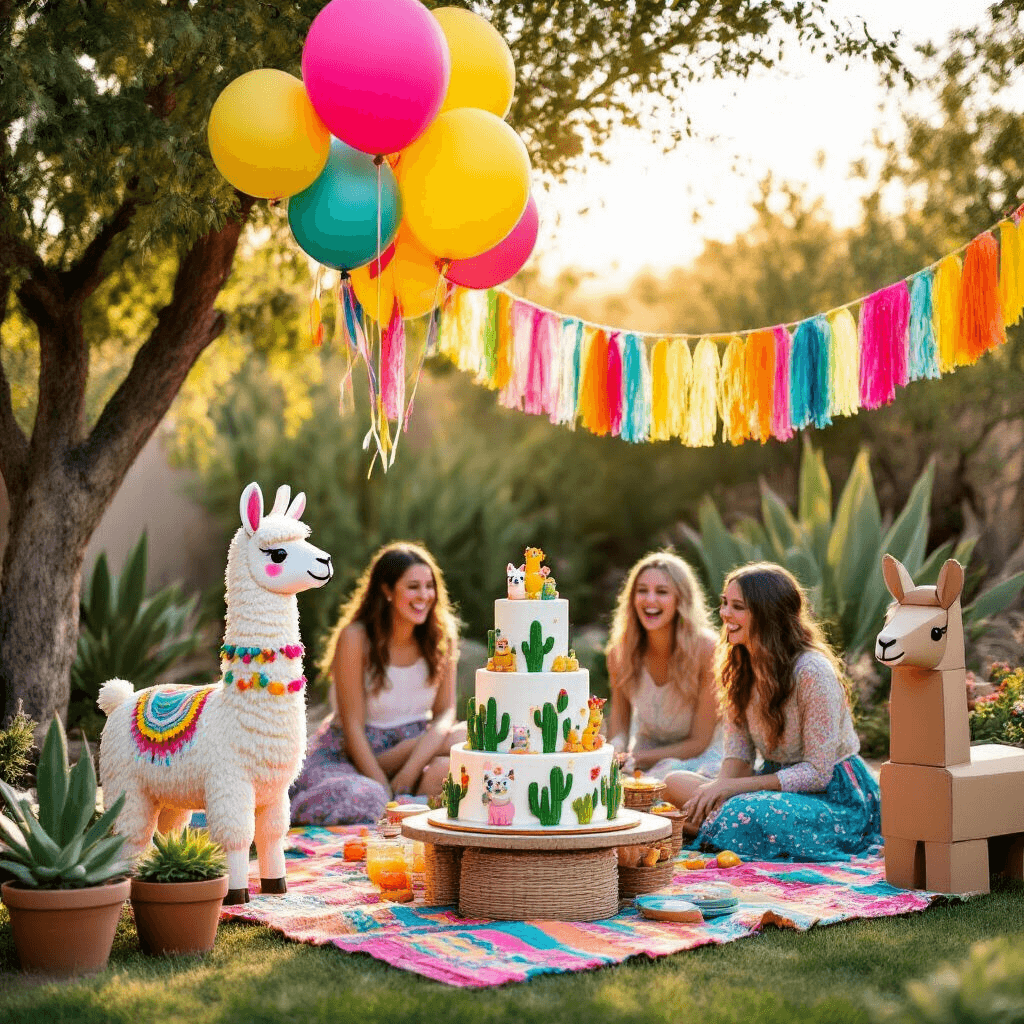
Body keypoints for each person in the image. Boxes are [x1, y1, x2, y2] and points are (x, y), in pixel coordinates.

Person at [665, 562, 882, 861]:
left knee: (743, 811)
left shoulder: (811, 671)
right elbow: (739, 757)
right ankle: (711, 824)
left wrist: (731, 790)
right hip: (770, 787)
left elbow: (818, 773)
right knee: (673, 782)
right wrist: (717, 791)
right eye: (725, 603)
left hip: (835, 798)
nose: (725, 614)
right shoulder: (739, 667)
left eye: (737, 606)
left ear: (768, 615)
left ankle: (698, 827)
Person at [290, 542, 463, 825]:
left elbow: (446, 712)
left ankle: (408, 801)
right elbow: (352, 726)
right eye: (413, 586)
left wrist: (411, 769)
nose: (424, 595)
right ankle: (401, 803)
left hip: (416, 747)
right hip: (354, 753)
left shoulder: (442, 637)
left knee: (463, 745)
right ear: (387, 591)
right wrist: (384, 786)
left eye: (429, 586)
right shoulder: (356, 637)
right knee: (368, 796)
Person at [605, 551, 722, 780]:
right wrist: (616, 750)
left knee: (664, 784)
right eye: (642, 591)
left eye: (662, 592)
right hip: (644, 754)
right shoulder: (619, 653)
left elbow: (699, 742)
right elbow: (619, 723)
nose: (650, 600)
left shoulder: (708, 650)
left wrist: (639, 759)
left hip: (702, 757)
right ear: (631, 599)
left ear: (681, 599)